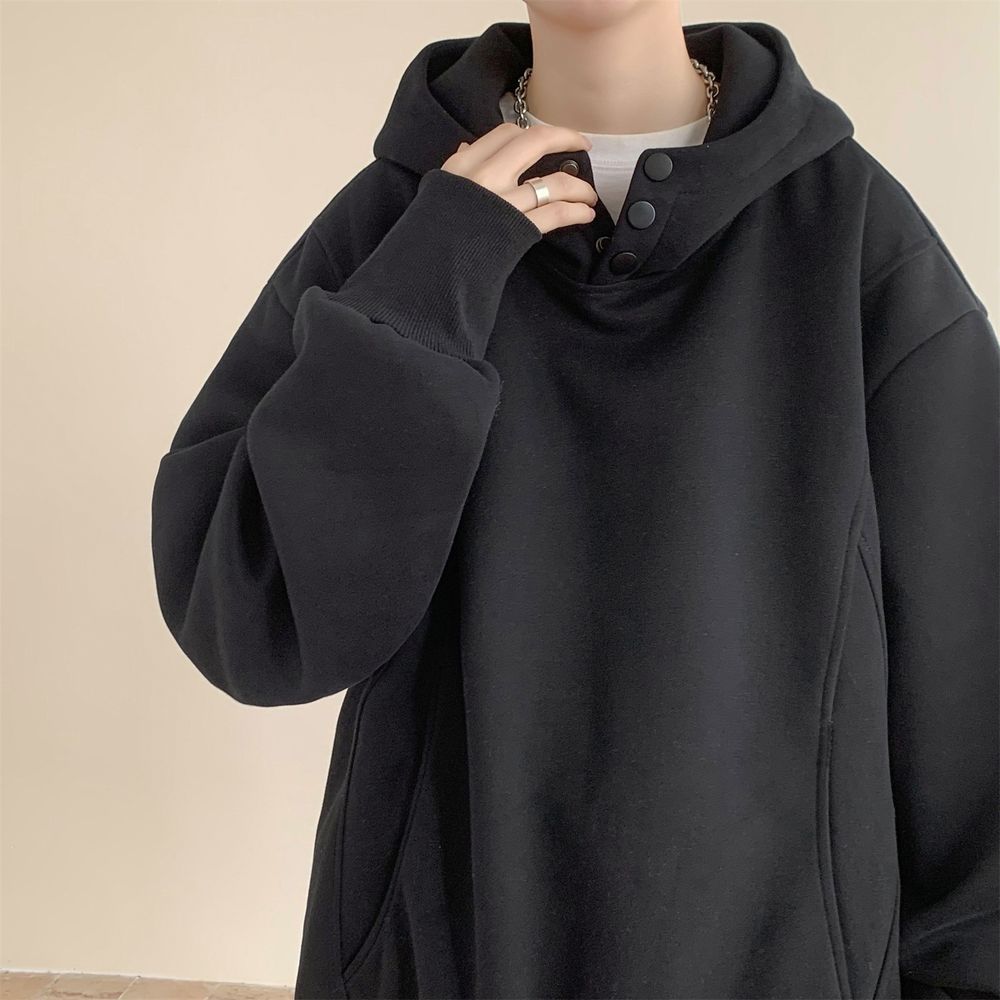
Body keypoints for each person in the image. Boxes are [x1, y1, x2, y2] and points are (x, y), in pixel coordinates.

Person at [150, 2, 999, 998]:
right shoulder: (402, 220)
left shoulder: (851, 235)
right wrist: (432, 281)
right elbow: (250, 619)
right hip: (441, 957)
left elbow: (970, 688)